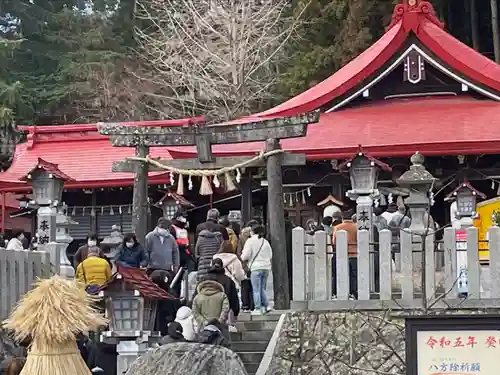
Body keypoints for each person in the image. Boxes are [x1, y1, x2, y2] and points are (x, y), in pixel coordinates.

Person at [193, 258, 240, 332]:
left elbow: (195, 298)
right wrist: (235, 311)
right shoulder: (228, 280)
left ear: (211, 265)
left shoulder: (203, 279)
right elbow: (234, 300)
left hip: (203, 319)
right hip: (221, 317)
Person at [241, 225, 273, 315]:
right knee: (262, 288)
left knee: (256, 289)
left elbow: (246, 255)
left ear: (253, 232)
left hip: (255, 267)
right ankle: (267, 306)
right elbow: (270, 255)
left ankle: (258, 308)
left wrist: (242, 257)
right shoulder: (265, 242)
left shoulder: (250, 241)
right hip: (266, 267)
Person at [332, 211, 358, 299]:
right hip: (354, 254)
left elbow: (334, 241)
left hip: (341, 254)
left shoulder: (338, 227)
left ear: (342, 218)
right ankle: (353, 292)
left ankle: (338, 292)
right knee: (353, 274)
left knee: (339, 273)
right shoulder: (356, 227)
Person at [195, 213, 225, 281]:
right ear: (217, 218)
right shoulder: (220, 231)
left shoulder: (200, 234)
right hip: (216, 266)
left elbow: (197, 253)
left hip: (202, 266)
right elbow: (224, 248)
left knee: (202, 286)